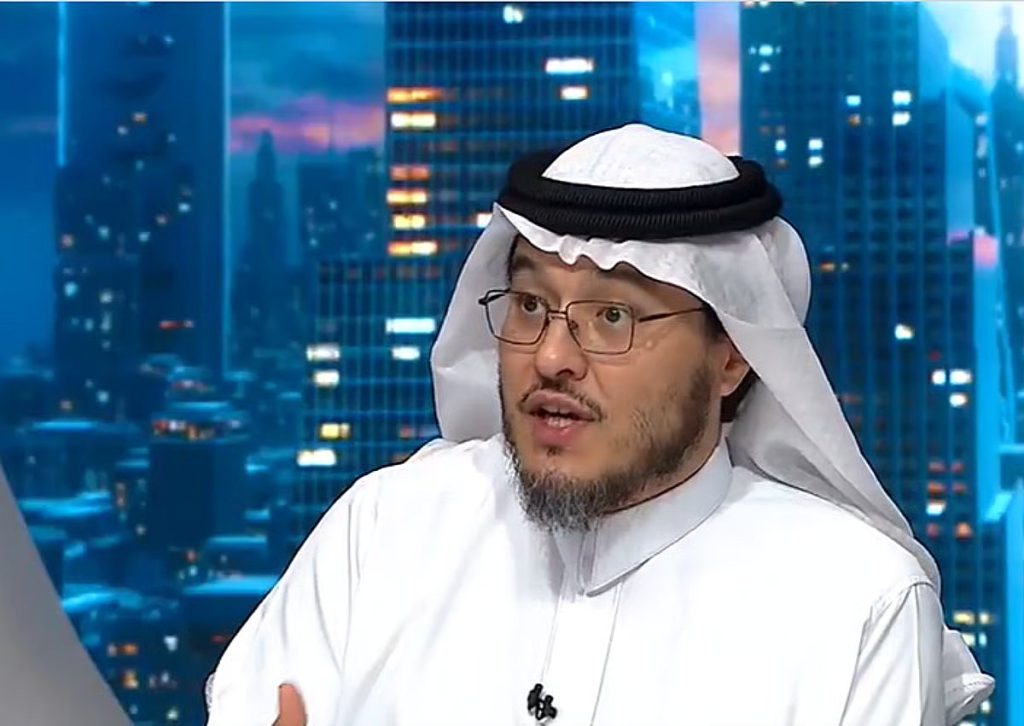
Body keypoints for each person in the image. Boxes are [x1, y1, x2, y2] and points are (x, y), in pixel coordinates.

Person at [207, 124, 994, 726]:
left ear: (730, 356)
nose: (552, 357)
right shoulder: (383, 531)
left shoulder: (857, 602)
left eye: (613, 317)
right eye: (529, 305)